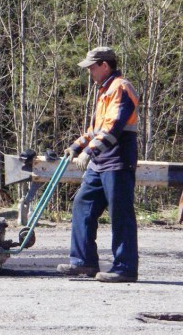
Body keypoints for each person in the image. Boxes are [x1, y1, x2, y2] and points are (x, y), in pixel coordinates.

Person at [57, 46, 139, 283]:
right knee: (83, 205)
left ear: (105, 65)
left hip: (117, 161)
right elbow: (96, 129)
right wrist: (77, 146)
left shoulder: (121, 88)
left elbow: (113, 128)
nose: (90, 72)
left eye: (92, 67)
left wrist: (89, 151)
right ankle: (84, 262)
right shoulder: (104, 90)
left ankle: (124, 268)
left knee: (120, 215)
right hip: (100, 162)